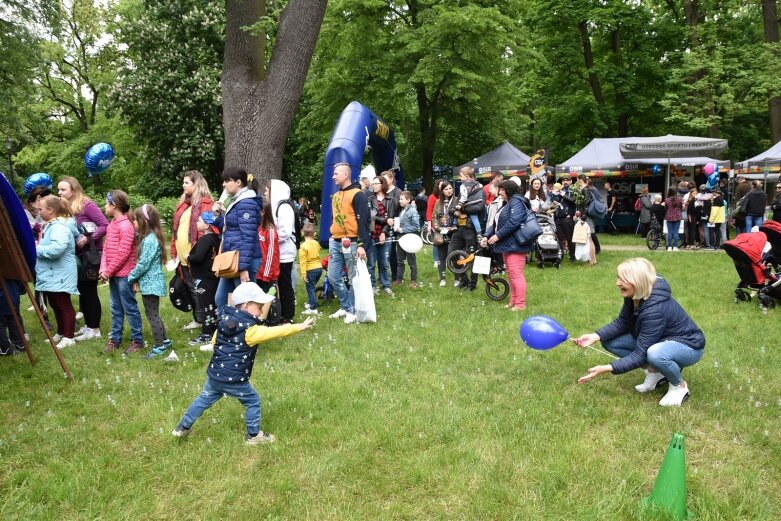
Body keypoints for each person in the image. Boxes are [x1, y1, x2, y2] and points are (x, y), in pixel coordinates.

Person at [172, 282, 314, 445]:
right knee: (253, 401)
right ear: (246, 305)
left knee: (203, 399)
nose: (262, 311)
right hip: (235, 379)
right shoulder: (250, 330)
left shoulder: (224, 319)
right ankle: (254, 436)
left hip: (215, 375)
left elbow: (214, 341)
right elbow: (274, 332)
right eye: (259, 306)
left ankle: (181, 428)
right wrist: (298, 327)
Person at [574, 258, 705, 407]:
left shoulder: (655, 310)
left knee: (655, 354)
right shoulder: (635, 295)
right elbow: (623, 322)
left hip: (689, 346)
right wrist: (595, 336)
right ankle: (656, 373)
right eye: (618, 277)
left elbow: (640, 354)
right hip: (661, 340)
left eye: (623, 279)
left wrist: (607, 368)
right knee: (610, 341)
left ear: (637, 281)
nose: (617, 283)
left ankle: (679, 386)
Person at [57, 176, 109, 342]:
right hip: (76, 255)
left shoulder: (87, 205)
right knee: (82, 291)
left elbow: (104, 224)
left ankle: (95, 329)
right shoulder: (65, 207)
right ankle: (88, 325)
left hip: (90, 255)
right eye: (58, 189)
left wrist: (89, 238)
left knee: (89, 291)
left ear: (73, 189)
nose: (59, 192)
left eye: (63, 189)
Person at [212, 167, 262, 307]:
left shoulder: (246, 203)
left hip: (243, 261)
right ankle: (227, 328)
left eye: (227, 181)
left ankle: (250, 328)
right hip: (232, 260)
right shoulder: (237, 201)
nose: (224, 184)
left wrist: (243, 268)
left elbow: (248, 236)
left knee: (246, 305)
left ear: (239, 182)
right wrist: (217, 217)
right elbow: (232, 229)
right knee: (221, 300)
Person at [100, 190, 143, 355]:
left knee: (129, 307)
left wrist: (108, 271)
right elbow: (105, 250)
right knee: (115, 308)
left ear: (114, 205)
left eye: (106, 203)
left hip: (124, 275)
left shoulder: (126, 226)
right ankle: (115, 339)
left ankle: (137, 340)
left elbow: (123, 253)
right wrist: (103, 269)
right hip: (112, 274)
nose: (104, 206)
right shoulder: (112, 224)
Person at [328, 163, 371, 324]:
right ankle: (346, 306)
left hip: (352, 242)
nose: (333, 176)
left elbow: (363, 221)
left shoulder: (358, 194)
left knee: (353, 278)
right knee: (333, 277)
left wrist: (361, 244)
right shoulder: (336, 195)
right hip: (336, 241)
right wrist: (332, 234)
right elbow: (334, 218)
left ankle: (351, 309)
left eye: (336, 173)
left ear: (346, 175)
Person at [171, 171, 215, 331]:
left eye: (187, 182)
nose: (183, 185)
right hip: (184, 258)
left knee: (200, 289)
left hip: (198, 256)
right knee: (190, 288)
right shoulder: (183, 205)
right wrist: (175, 252)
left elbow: (209, 228)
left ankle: (205, 321)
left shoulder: (207, 204)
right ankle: (198, 319)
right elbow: (176, 230)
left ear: (197, 184)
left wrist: (199, 252)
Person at [35, 195, 79, 349]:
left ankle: (69, 337)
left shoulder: (60, 227)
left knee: (63, 304)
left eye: (41, 209)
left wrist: (36, 249)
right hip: (52, 273)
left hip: (61, 274)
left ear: (51, 210)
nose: (39, 212)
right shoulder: (50, 225)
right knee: (54, 303)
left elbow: (56, 249)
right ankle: (61, 332)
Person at [128, 204, 172, 358]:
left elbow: (143, 264)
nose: (133, 222)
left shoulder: (150, 240)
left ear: (144, 221)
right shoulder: (150, 238)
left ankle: (159, 347)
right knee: (154, 314)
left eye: (135, 219)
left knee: (152, 315)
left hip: (151, 284)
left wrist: (131, 277)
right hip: (150, 283)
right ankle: (165, 341)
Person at [481, 180, 533, 310]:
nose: (499, 192)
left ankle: (520, 304)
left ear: (508, 190)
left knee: (516, 274)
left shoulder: (517, 202)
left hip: (517, 244)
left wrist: (498, 235)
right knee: (511, 273)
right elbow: (496, 224)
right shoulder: (507, 203)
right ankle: (513, 301)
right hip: (508, 243)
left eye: (501, 190)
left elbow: (514, 222)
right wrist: (486, 236)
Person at [186, 212, 221, 349]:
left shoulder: (205, 239)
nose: (196, 223)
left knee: (205, 305)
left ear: (207, 225)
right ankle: (214, 329)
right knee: (212, 304)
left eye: (199, 221)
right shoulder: (217, 238)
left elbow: (198, 257)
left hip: (204, 279)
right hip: (213, 277)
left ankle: (207, 333)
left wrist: (188, 256)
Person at [448, 170, 486, 291]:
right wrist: (456, 212)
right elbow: (452, 209)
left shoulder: (480, 189)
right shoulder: (463, 188)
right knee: (452, 253)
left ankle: (472, 285)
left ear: (469, 177)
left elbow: (479, 207)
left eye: (461, 176)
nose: (459, 178)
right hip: (459, 228)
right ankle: (464, 279)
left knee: (473, 256)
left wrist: (462, 210)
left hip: (471, 229)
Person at [265, 180, 296, 324]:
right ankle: (280, 313)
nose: (265, 193)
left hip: (284, 253)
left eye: (267, 190)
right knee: (278, 285)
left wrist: (269, 238)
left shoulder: (284, 207)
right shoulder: (275, 207)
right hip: (278, 252)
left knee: (284, 284)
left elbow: (285, 232)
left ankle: (288, 316)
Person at [369, 175, 395, 295]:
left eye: (376, 183)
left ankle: (386, 285)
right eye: (372, 184)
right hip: (372, 234)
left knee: (384, 263)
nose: (373, 186)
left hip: (385, 234)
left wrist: (384, 233)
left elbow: (391, 219)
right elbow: (371, 216)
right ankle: (372, 286)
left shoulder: (391, 200)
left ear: (382, 184)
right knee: (371, 262)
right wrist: (384, 221)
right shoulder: (369, 199)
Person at [432, 181, 457, 287]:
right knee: (441, 257)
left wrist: (453, 227)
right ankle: (442, 278)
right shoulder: (438, 202)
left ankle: (457, 278)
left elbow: (460, 215)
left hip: (454, 232)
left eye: (450, 188)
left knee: (455, 256)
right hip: (441, 233)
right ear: (442, 191)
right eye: (446, 189)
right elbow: (434, 216)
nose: (448, 191)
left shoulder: (457, 200)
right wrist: (437, 227)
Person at [394, 190, 420, 287]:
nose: (399, 201)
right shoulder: (402, 211)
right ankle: (399, 279)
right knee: (400, 260)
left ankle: (413, 280)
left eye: (401, 199)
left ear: (408, 200)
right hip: (401, 239)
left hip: (409, 239)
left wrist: (402, 229)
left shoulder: (413, 211)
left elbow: (416, 226)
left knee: (411, 261)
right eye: (399, 199)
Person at [255, 201, 279, 295]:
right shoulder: (258, 227)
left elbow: (272, 254)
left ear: (263, 212)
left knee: (270, 302)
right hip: (258, 272)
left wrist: (266, 275)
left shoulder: (271, 231)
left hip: (267, 275)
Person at [382, 170, 401, 283]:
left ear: (391, 179)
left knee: (393, 252)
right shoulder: (382, 192)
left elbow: (397, 208)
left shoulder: (398, 192)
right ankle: (384, 276)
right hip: (383, 223)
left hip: (394, 225)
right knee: (383, 253)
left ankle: (395, 276)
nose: (383, 181)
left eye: (385, 179)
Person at [299, 223, 322, 315]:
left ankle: (313, 308)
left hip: (310, 270)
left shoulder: (303, 246)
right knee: (312, 287)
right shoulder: (316, 243)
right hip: (319, 268)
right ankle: (312, 302)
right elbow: (319, 251)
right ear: (314, 234)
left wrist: (303, 273)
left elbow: (303, 262)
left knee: (310, 288)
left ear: (302, 233)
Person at [456, 167, 485, 237]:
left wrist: (459, 205)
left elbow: (464, 197)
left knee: (457, 211)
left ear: (467, 176)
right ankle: (479, 233)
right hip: (476, 203)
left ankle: (454, 225)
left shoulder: (463, 186)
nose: (460, 178)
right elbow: (481, 186)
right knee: (475, 218)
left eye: (461, 176)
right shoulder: (477, 184)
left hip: (468, 204)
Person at [0, 280, 25, 356]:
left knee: (2, 323)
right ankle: (19, 344)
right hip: (13, 295)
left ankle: (5, 348)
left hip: (6, 295)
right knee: (14, 320)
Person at [663, 186, 683, 251]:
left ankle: (669, 247)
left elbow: (665, 208)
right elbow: (681, 208)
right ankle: (675, 247)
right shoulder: (679, 199)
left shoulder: (667, 200)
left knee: (669, 232)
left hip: (669, 217)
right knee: (676, 232)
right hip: (677, 217)